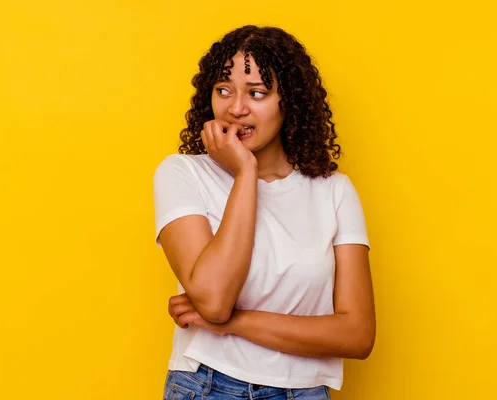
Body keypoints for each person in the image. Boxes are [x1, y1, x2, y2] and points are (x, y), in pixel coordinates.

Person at [153, 25, 375, 399]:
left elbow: (357, 335)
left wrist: (235, 325)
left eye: (256, 93)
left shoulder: (334, 191)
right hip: (209, 385)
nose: (236, 108)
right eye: (223, 90)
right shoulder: (182, 173)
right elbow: (214, 301)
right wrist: (246, 172)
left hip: (304, 392)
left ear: (289, 102)